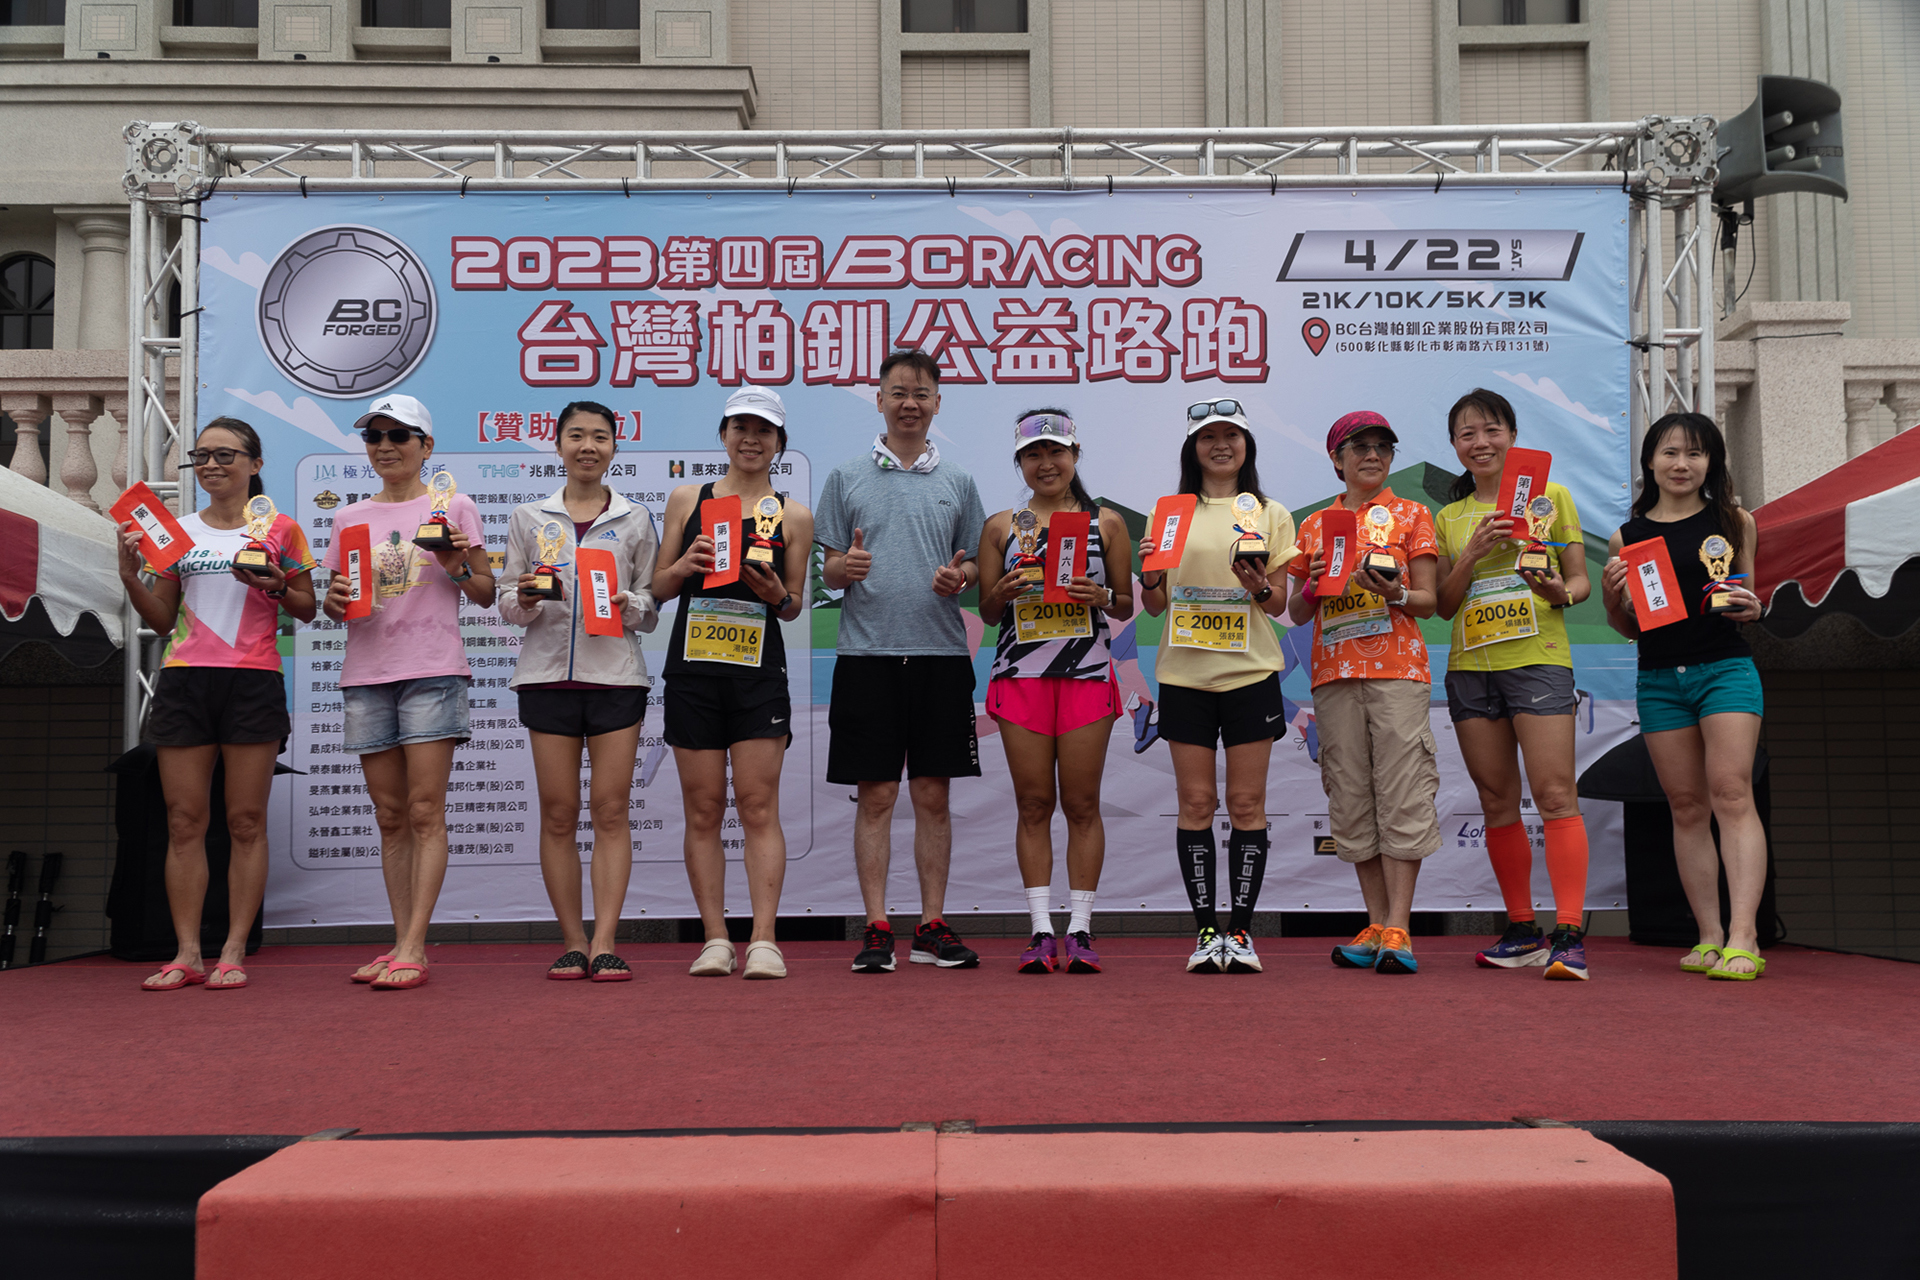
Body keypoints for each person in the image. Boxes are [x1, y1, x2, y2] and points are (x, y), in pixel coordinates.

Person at [117, 418, 316, 989]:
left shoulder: (281, 529)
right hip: (185, 681)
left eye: (225, 455)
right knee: (184, 821)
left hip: (253, 680)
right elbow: (161, 619)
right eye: (201, 456)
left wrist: (276, 584)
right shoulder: (177, 533)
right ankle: (187, 953)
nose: (210, 465)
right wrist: (131, 578)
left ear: (255, 463)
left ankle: (233, 949)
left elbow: (306, 608)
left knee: (245, 821)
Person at [817, 349, 988, 974]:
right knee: (877, 795)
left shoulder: (959, 481)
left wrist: (961, 577)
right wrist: (847, 567)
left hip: (941, 656)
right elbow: (829, 569)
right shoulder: (846, 477)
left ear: (937, 403)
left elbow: (975, 563)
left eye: (921, 394)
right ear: (880, 401)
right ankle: (876, 925)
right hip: (868, 657)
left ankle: (932, 925)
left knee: (933, 795)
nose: (909, 403)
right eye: (898, 393)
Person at [320, 394, 494, 991]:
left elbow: (485, 593)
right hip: (367, 673)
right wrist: (334, 601)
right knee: (390, 816)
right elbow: (340, 601)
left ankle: (415, 946)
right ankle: (399, 943)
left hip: (432, 670)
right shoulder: (349, 517)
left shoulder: (454, 505)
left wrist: (453, 561)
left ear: (426, 446)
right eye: (374, 436)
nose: (385, 446)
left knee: (424, 810)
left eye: (399, 435)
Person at [1433, 389, 1594, 980]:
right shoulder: (1448, 518)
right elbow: (1443, 605)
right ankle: (1522, 929)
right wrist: (1472, 554)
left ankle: (1569, 934)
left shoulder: (1553, 497)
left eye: (1491, 430)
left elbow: (1578, 583)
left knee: (1554, 795)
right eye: (1467, 434)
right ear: (1455, 446)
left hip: (1538, 660)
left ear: (1513, 435)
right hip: (1471, 668)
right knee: (1496, 801)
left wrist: (1557, 591)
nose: (1481, 443)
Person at [1601, 412, 1768, 980]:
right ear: (1650, 461)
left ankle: (1744, 936)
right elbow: (1629, 628)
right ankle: (1709, 935)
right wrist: (1611, 600)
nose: (1682, 464)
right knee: (1687, 807)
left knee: (1732, 793)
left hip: (1725, 671)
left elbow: (1748, 601)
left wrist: (1755, 607)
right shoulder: (1627, 537)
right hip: (1659, 679)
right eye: (1670, 452)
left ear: (1711, 462)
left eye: (1695, 453)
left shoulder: (1735, 521)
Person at [652, 388, 810, 980]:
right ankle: (715, 938)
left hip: (758, 676)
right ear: (723, 435)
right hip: (693, 672)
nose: (751, 439)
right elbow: (657, 588)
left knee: (757, 804)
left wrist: (778, 595)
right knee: (703, 808)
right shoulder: (687, 499)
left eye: (764, 430)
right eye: (741, 427)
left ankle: (764, 939)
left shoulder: (793, 515)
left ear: (779, 443)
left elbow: (793, 606)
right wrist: (682, 567)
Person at [500, 401, 660, 983]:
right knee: (559, 813)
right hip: (546, 680)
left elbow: (651, 607)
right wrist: (524, 599)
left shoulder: (635, 519)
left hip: (616, 679)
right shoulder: (528, 517)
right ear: (559, 444)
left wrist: (629, 604)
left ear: (615, 447)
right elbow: (507, 602)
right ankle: (572, 941)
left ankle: (606, 941)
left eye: (599, 437)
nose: (587, 446)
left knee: (611, 810)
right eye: (576, 436)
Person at [1136, 400, 1296, 975]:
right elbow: (1155, 605)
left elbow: (1279, 604)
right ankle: (1207, 932)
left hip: (1250, 675)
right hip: (1184, 678)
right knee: (1197, 803)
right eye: (1208, 437)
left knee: (1247, 804)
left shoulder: (1271, 513)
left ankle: (1242, 934)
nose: (1221, 445)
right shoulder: (1169, 512)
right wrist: (1150, 578)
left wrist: (1258, 587)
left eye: (1232, 435)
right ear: (1192, 448)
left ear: (1247, 445)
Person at [977, 409, 1133, 974]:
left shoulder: (1107, 523)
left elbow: (1125, 604)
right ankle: (1041, 929)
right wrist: (1000, 592)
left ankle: (1082, 929)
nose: (1046, 464)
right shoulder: (1001, 526)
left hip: (1086, 674)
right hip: (1021, 677)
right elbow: (987, 612)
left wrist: (1101, 597)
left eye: (1056, 452)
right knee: (1033, 803)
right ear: (1020, 462)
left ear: (1075, 456)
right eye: (1033, 455)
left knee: (1082, 804)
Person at [1286, 411, 1441, 975]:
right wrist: (1312, 583)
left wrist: (1395, 592)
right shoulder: (1314, 524)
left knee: (1401, 794)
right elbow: (1295, 611)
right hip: (1333, 676)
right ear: (1337, 458)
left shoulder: (1413, 514)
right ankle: (1375, 925)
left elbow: (1429, 601)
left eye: (1383, 447)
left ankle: (1400, 926)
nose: (1372, 455)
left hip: (1398, 672)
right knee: (1351, 797)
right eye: (1359, 447)